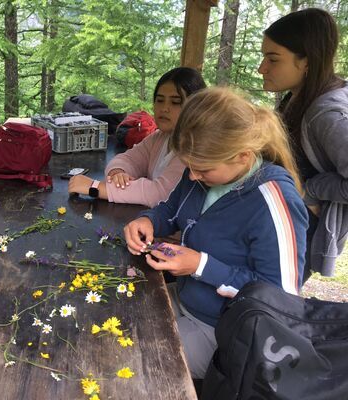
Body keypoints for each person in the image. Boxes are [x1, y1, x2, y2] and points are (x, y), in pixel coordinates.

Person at [123, 88, 308, 379]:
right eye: (189, 167)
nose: (193, 176)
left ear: (243, 156)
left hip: (222, 329)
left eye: (203, 169)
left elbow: (279, 300)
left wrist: (200, 266)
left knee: (133, 356)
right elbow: (172, 208)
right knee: (118, 316)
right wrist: (148, 221)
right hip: (185, 299)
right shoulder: (200, 170)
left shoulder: (273, 201)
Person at [259, 8, 348, 280]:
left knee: (263, 307)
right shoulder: (298, 97)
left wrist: (307, 190)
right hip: (279, 225)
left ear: (307, 61)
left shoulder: (327, 114)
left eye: (272, 59)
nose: (262, 68)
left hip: (297, 236)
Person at [68, 67, 206, 207]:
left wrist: (95, 187)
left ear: (195, 107)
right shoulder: (160, 137)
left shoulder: (195, 149)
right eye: (159, 100)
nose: (164, 108)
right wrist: (118, 173)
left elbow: (160, 194)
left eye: (175, 102)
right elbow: (127, 159)